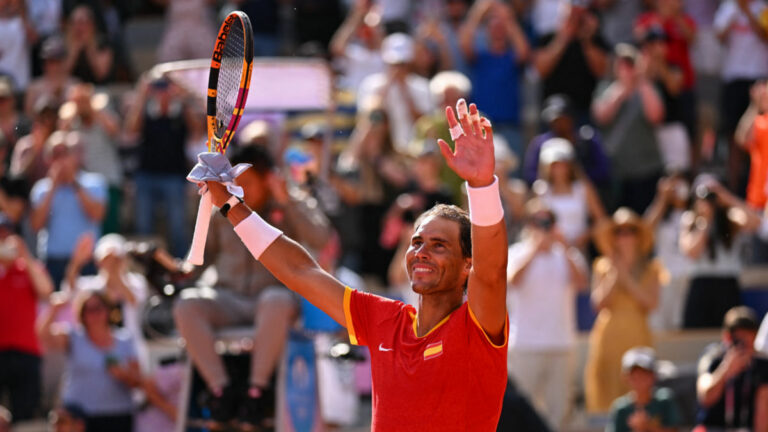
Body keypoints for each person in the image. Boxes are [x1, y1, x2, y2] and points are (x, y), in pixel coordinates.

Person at [196, 99, 508, 429]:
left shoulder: (477, 326)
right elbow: (300, 271)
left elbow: (491, 273)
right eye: (416, 242)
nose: (422, 252)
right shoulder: (385, 320)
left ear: (466, 266)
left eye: (439, 245)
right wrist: (231, 205)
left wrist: (481, 186)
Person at [174, 143, 332, 429]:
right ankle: (221, 391)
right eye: (236, 183)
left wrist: (288, 201)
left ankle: (256, 393)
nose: (240, 191)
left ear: (268, 178)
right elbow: (199, 260)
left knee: (275, 299)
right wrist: (178, 271)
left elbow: (321, 237)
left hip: (273, 304)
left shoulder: (290, 201)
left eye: (247, 182)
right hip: (228, 299)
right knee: (187, 305)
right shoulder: (223, 207)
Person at [506, 199, 588, 430]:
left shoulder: (567, 254)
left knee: (560, 412)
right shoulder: (517, 252)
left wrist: (565, 248)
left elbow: (582, 285)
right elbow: (513, 280)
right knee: (521, 410)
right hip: (525, 344)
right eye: (538, 221)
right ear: (529, 224)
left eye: (547, 222)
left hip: (561, 344)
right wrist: (534, 248)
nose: (543, 227)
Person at [585, 208, 665, 413]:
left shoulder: (652, 268)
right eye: (619, 231)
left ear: (638, 237)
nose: (625, 236)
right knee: (607, 388)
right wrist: (615, 273)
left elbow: (651, 303)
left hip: (637, 334)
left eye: (630, 231)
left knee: (639, 389)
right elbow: (598, 303)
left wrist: (626, 277)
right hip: (608, 336)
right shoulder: (603, 266)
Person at [37, 289, 140, 432]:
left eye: (98, 307)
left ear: (108, 309)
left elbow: (138, 381)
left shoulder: (125, 340)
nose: (94, 313)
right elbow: (44, 336)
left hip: (118, 415)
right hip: (79, 418)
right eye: (88, 309)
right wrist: (54, 309)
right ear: (81, 313)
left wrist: (123, 375)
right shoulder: (73, 337)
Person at [124, 74, 197, 257]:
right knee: (143, 226)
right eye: (159, 87)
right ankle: (144, 266)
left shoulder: (181, 111)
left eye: (166, 87)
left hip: (174, 177)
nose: (162, 92)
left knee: (178, 227)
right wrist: (141, 95)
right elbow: (131, 130)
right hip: (146, 176)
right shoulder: (146, 111)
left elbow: (197, 131)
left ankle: (182, 265)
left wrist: (183, 97)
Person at [680, 176, 762, 329]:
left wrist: (727, 198)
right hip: (701, 284)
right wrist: (706, 220)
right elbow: (691, 251)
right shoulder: (691, 220)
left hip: (727, 285)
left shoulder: (731, 217)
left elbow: (755, 223)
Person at [592, 43, 665, 213]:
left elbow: (656, 116)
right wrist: (624, 87)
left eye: (630, 63)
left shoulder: (647, 88)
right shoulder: (605, 87)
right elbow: (601, 115)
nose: (626, 68)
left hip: (647, 170)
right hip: (616, 172)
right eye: (621, 64)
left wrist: (641, 81)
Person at [30, 131, 106, 289]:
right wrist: (53, 186)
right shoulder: (41, 190)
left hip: (87, 262)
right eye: (55, 154)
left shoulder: (94, 183)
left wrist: (74, 183)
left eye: (64, 153)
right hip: (53, 262)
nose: (60, 159)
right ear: (47, 159)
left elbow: (97, 215)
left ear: (74, 156)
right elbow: (36, 225)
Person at [460, 0, 529, 164]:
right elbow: (464, 43)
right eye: (493, 27)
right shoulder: (481, 58)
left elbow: (524, 51)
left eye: (501, 27)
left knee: (511, 178)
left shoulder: (512, 58)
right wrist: (479, 12)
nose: (498, 30)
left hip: (510, 126)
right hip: (481, 127)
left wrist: (508, 18)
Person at [0, 212, 54, 422]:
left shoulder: (28, 268)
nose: (3, 239)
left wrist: (25, 256)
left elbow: (46, 290)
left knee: (25, 418)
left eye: (6, 234)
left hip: (26, 353)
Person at [714, 0, 768, 194]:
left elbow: (765, 35)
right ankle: (735, 188)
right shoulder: (728, 7)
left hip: (759, 76)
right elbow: (719, 36)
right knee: (733, 136)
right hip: (733, 77)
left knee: (762, 134)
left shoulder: (763, 9)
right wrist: (737, 11)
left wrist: (747, 11)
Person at [356, 33, 434, 153]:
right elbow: (368, 119)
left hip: (414, 152)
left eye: (402, 64)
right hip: (381, 155)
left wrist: (404, 90)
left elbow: (424, 124)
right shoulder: (372, 85)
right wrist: (387, 87)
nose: (397, 69)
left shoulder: (422, 86)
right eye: (393, 64)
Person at [533, 3, 609, 124]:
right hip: (552, 113)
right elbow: (540, 70)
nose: (575, 21)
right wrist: (563, 37)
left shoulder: (595, 41)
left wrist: (587, 40)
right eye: (571, 17)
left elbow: (601, 71)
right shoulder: (549, 38)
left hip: (584, 113)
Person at [696, 306, 768, 431]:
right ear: (727, 337)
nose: (742, 348)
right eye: (737, 341)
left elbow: (762, 418)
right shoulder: (713, 357)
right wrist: (726, 370)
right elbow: (705, 397)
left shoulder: (762, 365)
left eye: (748, 340)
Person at [523, 93, 610, 191]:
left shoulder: (588, 139)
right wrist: (555, 180)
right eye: (556, 120)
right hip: (551, 194)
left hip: (587, 194)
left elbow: (602, 172)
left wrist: (573, 179)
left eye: (563, 119)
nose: (560, 124)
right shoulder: (540, 143)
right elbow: (530, 176)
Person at [532, 137, 606, 251]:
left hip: (578, 250)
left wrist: (584, 237)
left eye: (562, 164)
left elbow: (600, 220)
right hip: (550, 251)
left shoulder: (583, 188)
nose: (559, 169)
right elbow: (535, 223)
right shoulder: (540, 190)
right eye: (554, 165)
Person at [644, 174, 693, 330]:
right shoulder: (661, 213)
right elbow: (644, 233)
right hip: (665, 280)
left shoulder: (697, 212)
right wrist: (662, 199)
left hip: (690, 279)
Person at [607, 347, 681, 432]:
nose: (639, 379)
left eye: (644, 374)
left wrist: (648, 427)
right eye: (634, 376)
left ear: (654, 376)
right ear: (626, 378)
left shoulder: (665, 401)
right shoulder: (621, 408)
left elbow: (675, 430)